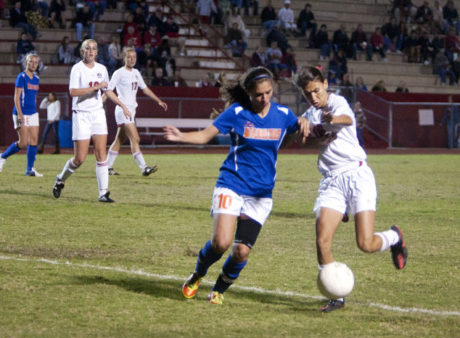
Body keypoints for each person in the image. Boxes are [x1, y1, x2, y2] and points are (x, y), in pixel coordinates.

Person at [164, 66, 309, 305]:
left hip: (260, 194)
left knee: (242, 251)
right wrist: (181, 136)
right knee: (221, 243)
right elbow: (205, 135)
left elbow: (300, 138)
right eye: (258, 95)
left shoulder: (283, 114)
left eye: (268, 93)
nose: (264, 99)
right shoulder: (237, 112)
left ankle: (219, 288)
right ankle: (197, 275)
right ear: (249, 93)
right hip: (231, 184)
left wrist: (303, 123)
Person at [294, 66, 408, 312]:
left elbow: (346, 119)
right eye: (307, 94)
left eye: (315, 90)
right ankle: (336, 295)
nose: (313, 97)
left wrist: (330, 119)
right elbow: (300, 142)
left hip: (357, 175)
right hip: (331, 181)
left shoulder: (337, 102)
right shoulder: (309, 114)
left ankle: (394, 237)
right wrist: (302, 127)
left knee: (365, 244)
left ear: (325, 84)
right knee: (322, 240)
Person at [52, 39, 132, 203]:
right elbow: (73, 92)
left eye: (94, 49)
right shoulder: (77, 69)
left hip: (97, 114)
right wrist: (94, 88)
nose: (91, 51)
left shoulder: (102, 69)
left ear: (96, 52)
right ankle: (60, 179)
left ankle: (103, 193)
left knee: (101, 153)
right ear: (82, 51)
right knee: (79, 159)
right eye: (87, 48)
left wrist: (123, 106)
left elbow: (108, 91)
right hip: (81, 114)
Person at [106, 47, 168, 176]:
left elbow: (145, 89)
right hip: (123, 110)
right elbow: (109, 90)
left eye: (134, 57)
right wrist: (100, 103)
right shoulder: (119, 73)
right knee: (135, 138)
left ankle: (106, 167)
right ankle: (144, 168)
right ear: (124, 58)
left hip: (131, 111)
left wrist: (158, 100)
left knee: (119, 140)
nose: (132, 59)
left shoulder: (136, 72)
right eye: (129, 57)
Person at [0, 53, 42, 176]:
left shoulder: (37, 78)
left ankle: (29, 169)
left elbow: (33, 97)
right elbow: (16, 97)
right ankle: (3, 156)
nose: (33, 64)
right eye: (31, 62)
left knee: (34, 140)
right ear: (26, 63)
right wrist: (20, 114)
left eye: (36, 62)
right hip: (21, 113)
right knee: (23, 143)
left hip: (33, 113)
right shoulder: (21, 77)